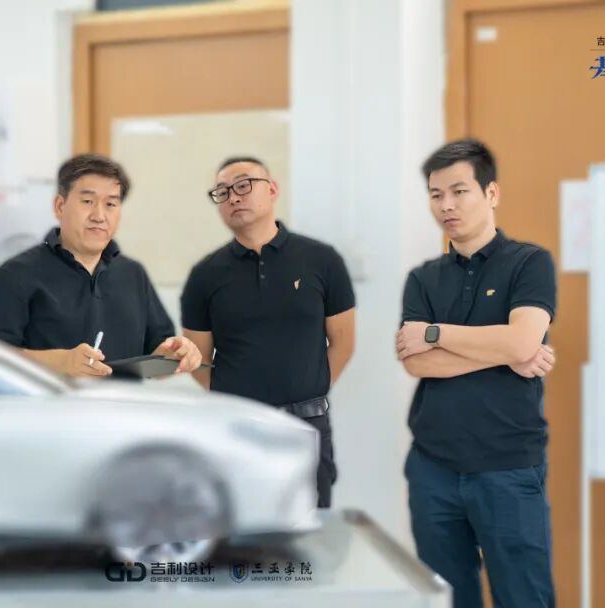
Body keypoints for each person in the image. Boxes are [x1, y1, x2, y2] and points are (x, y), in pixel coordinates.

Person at [396, 138, 557, 608]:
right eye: (436, 194)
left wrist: (435, 333)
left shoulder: (529, 263)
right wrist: (507, 352)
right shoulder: (422, 278)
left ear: (491, 193)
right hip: (433, 468)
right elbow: (415, 361)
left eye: (459, 191)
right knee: (446, 599)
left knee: (523, 597)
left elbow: (522, 341)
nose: (446, 205)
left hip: (508, 466)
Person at [181, 156, 356, 508]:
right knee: (239, 529)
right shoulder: (204, 275)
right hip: (236, 430)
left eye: (244, 185)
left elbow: (343, 343)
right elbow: (197, 360)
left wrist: (308, 391)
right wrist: (239, 402)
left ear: (272, 190)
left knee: (308, 528)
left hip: (306, 426)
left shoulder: (322, 260)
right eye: (222, 192)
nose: (233, 197)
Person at [0, 153, 201, 377]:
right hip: (50, 401)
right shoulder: (14, 275)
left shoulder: (133, 273)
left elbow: (158, 355)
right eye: (87, 202)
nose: (99, 216)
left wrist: (175, 355)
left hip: (124, 401)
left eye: (110, 204)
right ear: (59, 206)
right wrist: (58, 362)